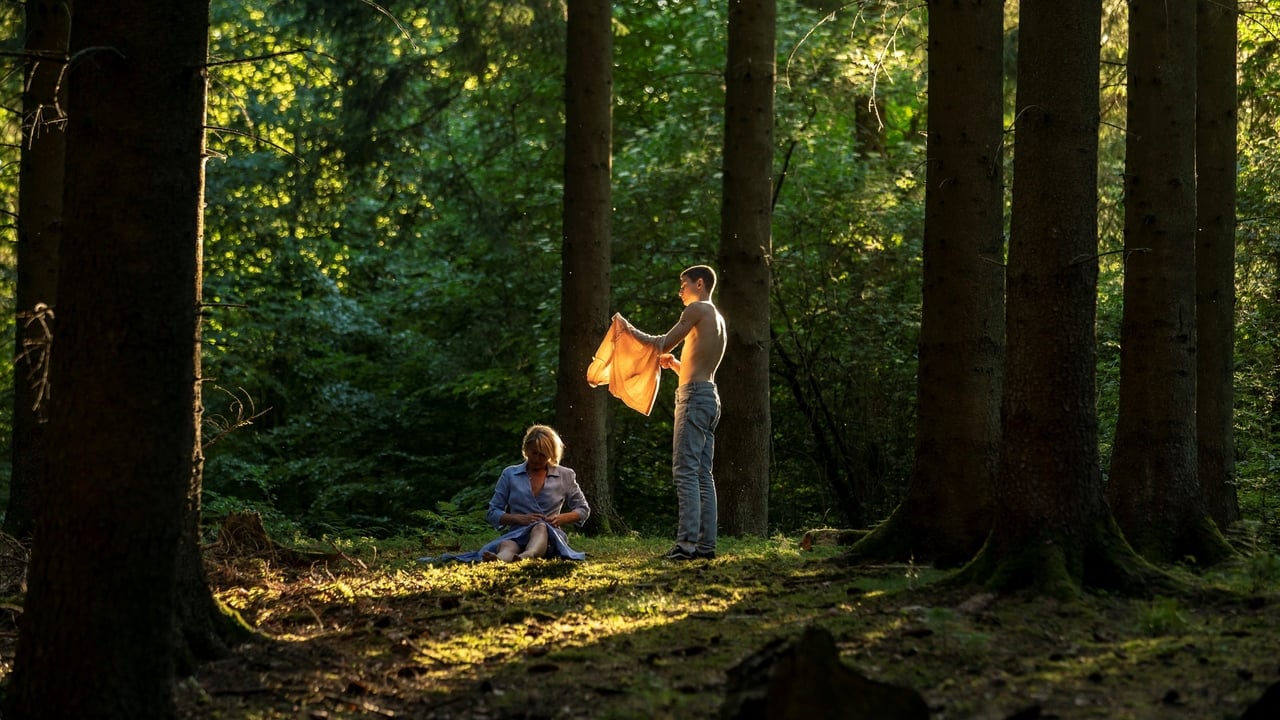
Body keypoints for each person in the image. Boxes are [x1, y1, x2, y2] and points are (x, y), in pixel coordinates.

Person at [621, 265, 727, 561]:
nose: (680, 291)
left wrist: (626, 329)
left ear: (700, 283)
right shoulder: (718, 318)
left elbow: (662, 342)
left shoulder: (696, 309)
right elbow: (700, 366)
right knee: (703, 474)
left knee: (685, 472)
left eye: (684, 284)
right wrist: (676, 365)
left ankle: (685, 546)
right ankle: (705, 547)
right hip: (709, 396)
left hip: (694, 399)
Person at [475, 424, 591, 562]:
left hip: (548, 535)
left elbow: (583, 509)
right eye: (533, 453)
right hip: (516, 533)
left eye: (542, 455)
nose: (536, 459)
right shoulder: (510, 474)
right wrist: (517, 518)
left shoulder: (565, 475)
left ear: (551, 455)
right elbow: (493, 512)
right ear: (526, 449)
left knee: (540, 527)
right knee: (507, 545)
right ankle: (499, 559)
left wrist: (562, 518)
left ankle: (528, 554)